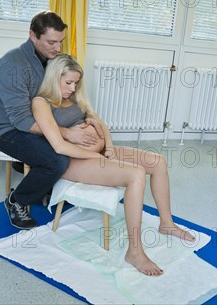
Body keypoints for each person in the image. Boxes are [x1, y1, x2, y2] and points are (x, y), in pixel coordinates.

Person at [32, 53, 195, 276]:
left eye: (76, 82)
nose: (72, 87)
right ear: (53, 78)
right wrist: (96, 157)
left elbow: (101, 124)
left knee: (158, 161)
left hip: (98, 152)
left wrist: (108, 147)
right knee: (136, 174)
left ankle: (166, 222)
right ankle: (135, 251)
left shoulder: (75, 99)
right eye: (68, 82)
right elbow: (59, 147)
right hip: (71, 162)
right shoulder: (41, 103)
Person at [0, 11, 101, 230]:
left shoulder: (51, 59)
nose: (57, 49)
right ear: (32, 35)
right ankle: (16, 200)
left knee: (77, 143)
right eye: (51, 42)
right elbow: (21, 121)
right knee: (57, 160)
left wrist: (87, 120)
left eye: (60, 42)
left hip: (37, 121)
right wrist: (66, 132)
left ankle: (47, 184)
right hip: (6, 130)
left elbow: (67, 94)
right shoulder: (13, 65)